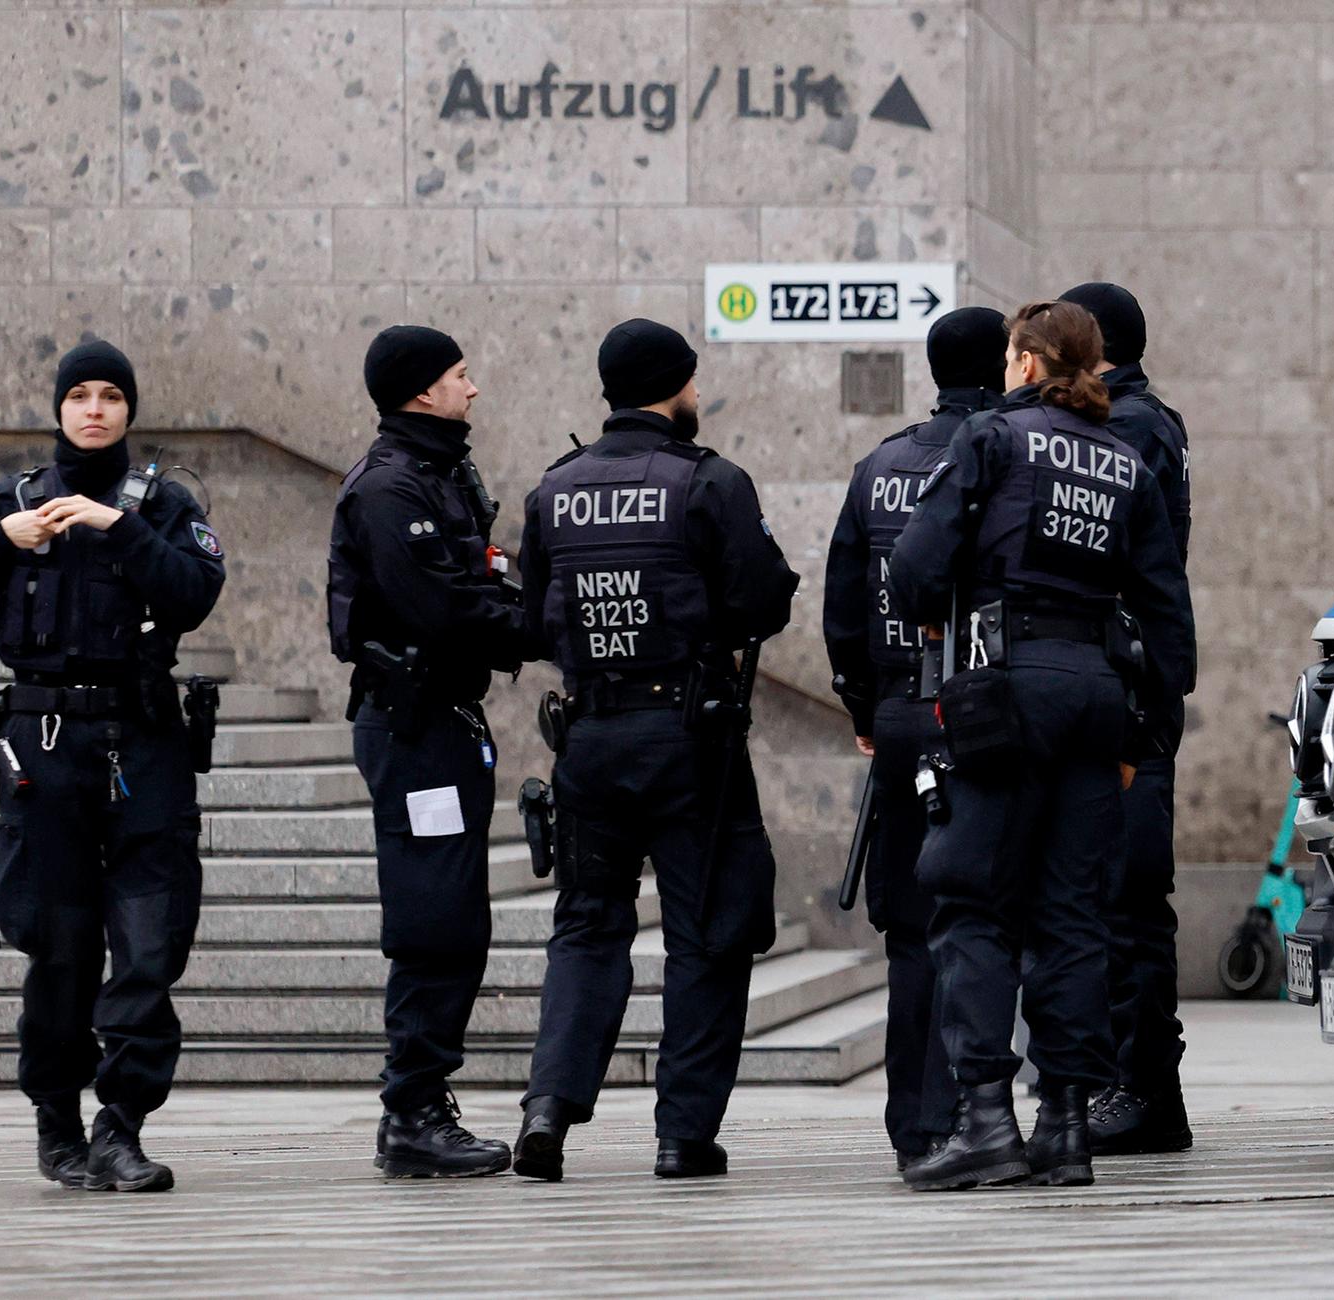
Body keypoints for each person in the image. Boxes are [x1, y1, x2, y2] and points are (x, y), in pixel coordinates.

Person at [887, 301, 1194, 1192]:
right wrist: (1146, 729)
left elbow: (913, 571)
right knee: (1074, 916)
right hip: (1098, 698)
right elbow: (1169, 614)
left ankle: (986, 1120)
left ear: (1025, 362)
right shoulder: (1125, 458)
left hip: (1002, 689)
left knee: (976, 901)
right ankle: (1065, 1124)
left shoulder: (991, 438)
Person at [0, 341, 225, 1193]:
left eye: (110, 396)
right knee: (57, 943)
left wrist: (119, 530)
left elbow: (196, 593)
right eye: (79, 395)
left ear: (129, 410)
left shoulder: (160, 504)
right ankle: (59, 1121)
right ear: (58, 409)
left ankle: (120, 1125)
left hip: (143, 743)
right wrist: (1, 545)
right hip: (44, 748)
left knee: (150, 942)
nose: (94, 409)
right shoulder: (15, 502)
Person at [511, 318, 799, 1182]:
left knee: (587, 928)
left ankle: (547, 1113)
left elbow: (529, 624)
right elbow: (763, 601)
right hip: (688, 741)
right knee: (706, 935)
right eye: (693, 382)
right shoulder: (709, 482)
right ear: (673, 387)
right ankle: (682, 1135)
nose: (699, 397)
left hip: (590, 739)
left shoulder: (553, 490)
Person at [326, 325, 529, 1178]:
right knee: (432, 917)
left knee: (456, 917)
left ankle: (421, 1100)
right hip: (414, 731)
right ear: (419, 391)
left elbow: (477, 579)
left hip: (444, 722)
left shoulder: (439, 473)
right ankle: (412, 1110)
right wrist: (546, 626)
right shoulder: (390, 488)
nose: (473, 389)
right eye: (459, 375)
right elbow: (443, 606)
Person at [822, 306, 1008, 1171]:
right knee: (981, 922)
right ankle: (972, 1116)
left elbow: (841, 607)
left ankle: (914, 1125)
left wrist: (866, 712)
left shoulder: (880, 465)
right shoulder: (1008, 452)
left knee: (910, 935)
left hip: (899, 717)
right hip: (978, 716)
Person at [1057, 282, 1195, 1155]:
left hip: (1130, 688)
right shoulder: (1142, 420)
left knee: (1128, 897)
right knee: (1112, 896)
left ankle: (1141, 1089)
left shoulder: (1130, 427)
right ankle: (1138, 1088)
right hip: (1122, 680)